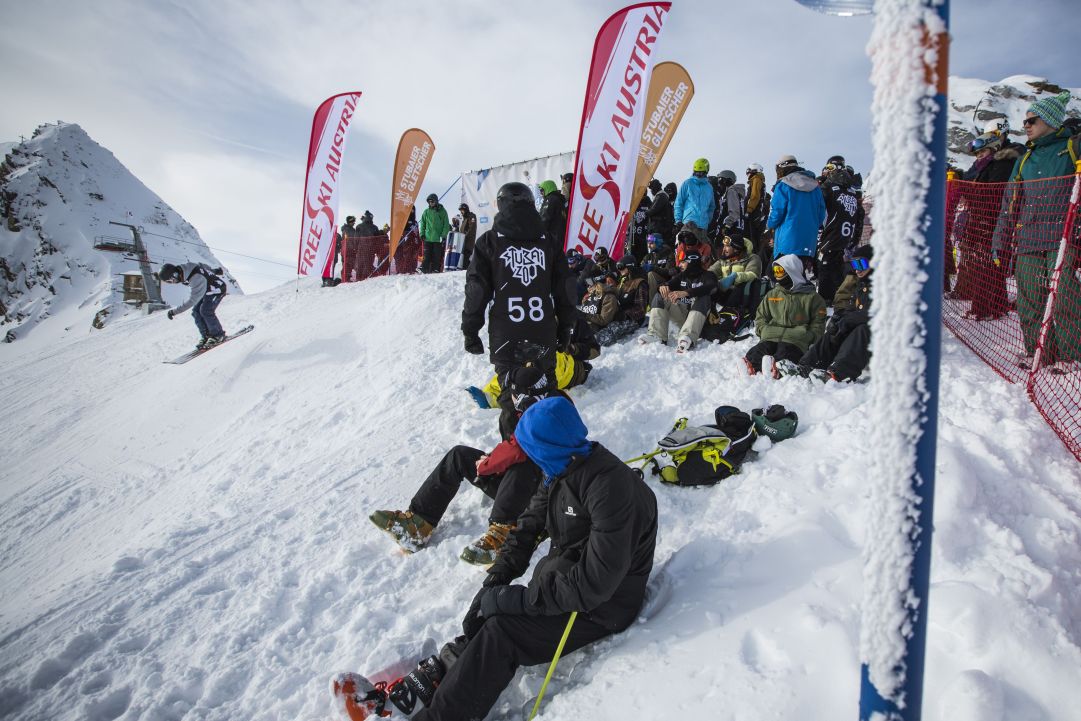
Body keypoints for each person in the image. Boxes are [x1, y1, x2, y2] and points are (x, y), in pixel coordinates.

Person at [409, 396, 658, 721]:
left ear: (548, 448)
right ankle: (459, 666)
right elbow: (527, 528)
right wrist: (494, 582)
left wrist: (511, 600)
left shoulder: (610, 491)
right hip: (567, 578)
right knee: (496, 610)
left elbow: (593, 586)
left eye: (532, 450)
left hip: (601, 607)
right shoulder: (561, 467)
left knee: (503, 632)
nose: (528, 459)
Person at [370, 365, 552, 565]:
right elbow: (510, 446)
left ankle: (504, 534)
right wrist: (492, 460)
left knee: (523, 463)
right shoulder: (521, 408)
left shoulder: (552, 411)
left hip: (542, 496)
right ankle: (417, 524)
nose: (512, 398)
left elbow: (519, 449)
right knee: (459, 456)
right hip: (517, 487)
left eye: (515, 394)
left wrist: (489, 463)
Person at [992, 91, 1081, 371]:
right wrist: (1000, 241)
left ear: (1051, 120)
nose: (1026, 125)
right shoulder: (1024, 159)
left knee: (1065, 297)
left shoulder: (1072, 147)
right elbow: (1009, 203)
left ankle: (1072, 355)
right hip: (1029, 238)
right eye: (1025, 121)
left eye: (1032, 120)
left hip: (1062, 238)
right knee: (1029, 299)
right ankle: (1040, 351)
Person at [462, 181, 578, 385]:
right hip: (542, 328)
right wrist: (566, 326)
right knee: (545, 387)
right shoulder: (549, 242)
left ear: (501, 204)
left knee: (511, 390)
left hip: (506, 331)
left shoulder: (489, 241)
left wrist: (470, 330)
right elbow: (566, 287)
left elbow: (476, 290)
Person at [951, 124, 1023, 319]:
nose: (979, 156)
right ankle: (995, 305)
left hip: (992, 222)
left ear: (992, 149)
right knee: (986, 266)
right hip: (981, 221)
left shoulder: (1001, 164)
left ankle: (984, 309)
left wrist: (968, 190)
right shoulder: (985, 166)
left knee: (987, 266)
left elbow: (991, 194)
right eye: (977, 154)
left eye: (982, 152)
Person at [782, 244, 874, 382]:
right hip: (861, 328)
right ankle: (807, 365)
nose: (857, 270)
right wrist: (841, 319)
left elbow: (879, 313)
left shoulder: (884, 285)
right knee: (834, 331)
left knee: (862, 330)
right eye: (855, 265)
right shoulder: (861, 285)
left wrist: (850, 320)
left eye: (861, 264)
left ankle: (838, 373)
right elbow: (851, 308)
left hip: (879, 334)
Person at [743, 254, 827, 377]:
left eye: (779, 270)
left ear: (791, 271)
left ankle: (777, 368)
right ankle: (750, 366)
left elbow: (818, 323)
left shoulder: (812, 298)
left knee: (786, 352)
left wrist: (809, 336)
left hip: (795, 339)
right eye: (775, 270)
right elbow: (761, 316)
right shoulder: (773, 294)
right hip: (771, 335)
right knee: (759, 350)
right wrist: (763, 330)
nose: (776, 274)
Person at [640, 251, 718, 353]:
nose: (680, 265)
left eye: (683, 262)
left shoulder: (708, 275)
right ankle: (657, 335)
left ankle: (688, 337)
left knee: (703, 297)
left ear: (692, 262)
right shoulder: (682, 276)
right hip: (684, 318)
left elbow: (711, 287)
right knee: (661, 296)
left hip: (700, 323)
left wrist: (686, 292)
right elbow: (667, 284)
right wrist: (663, 286)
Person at [817, 164, 864, 304]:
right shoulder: (852, 194)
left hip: (837, 238)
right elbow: (859, 220)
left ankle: (829, 299)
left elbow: (820, 207)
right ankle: (846, 296)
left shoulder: (832, 189)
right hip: (849, 240)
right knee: (843, 267)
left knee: (828, 266)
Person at [767, 155, 826, 265]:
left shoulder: (783, 185)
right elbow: (821, 214)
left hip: (787, 241)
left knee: (778, 273)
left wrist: (770, 225)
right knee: (800, 272)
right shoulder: (815, 187)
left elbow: (777, 213)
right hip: (809, 242)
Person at [160, 262, 229, 350]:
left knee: (205, 311)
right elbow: (202, 266)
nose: (173, 283)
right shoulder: (186, 269)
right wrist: (214, 271)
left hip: (217, 289)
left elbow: (192, 301)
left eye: (171, 280)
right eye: (169, 282)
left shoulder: (195, 278)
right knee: (196, 312)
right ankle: (207, 336)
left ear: (175, 274)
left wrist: (175, 311)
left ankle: (218, 335)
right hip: (206, 290)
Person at [708, 235, 762, 309]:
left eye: (727, 246)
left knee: (743, 285)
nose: (724, 249)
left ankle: (729, 310)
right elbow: (712, 271)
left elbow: (753, 275)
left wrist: (735, 276)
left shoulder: (752, 258)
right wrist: (708, 278)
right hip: (723, 292)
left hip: (742, 295)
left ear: (736, 249)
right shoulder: (723, 260)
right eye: (724, 246)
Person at [673, 158, 716, 245]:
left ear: (706, 172)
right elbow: (679, 203)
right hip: (688, 224)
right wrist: (678, 221)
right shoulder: (687, 183)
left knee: (702, 250)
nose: (698, 175)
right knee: (685, 249)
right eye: (696, 172)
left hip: (702, 226)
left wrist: (707, 220)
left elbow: (711, 207)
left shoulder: (709, 187)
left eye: (701, 172)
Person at [713, 169, 746, 245]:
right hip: (736, 228)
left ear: (726, 181)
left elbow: (734, 211)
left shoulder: (731, 191)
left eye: (720, 180)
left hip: (731, 228)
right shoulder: (735, 193)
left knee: (723, 249)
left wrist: (727, 226)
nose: (719, 184)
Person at [420, 193, 451, 274]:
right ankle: (424, 269)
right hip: (428, 238)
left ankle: (435, 269)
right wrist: (422, 234)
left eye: (432, 201)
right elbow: (422, 224)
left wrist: (443, 235)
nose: (431, 203)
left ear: (436, 201)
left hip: (438, 238)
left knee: (436, 255)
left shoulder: (443, 211)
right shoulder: (426, 212)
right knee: (426, 255)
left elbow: (446, 225)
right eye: (429, 202)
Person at [642, 232, 676, 302]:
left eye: (651, 243)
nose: (649, 246)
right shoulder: (648, 257)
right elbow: (640, 269)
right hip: (649, 281)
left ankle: (652, 305)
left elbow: (669, 273)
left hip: (665, 281)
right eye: (648, 243)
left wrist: (653, 268)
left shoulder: (669, 254)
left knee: (651, 274)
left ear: (658, 243)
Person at [538, 180, 567, 250]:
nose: (541, 193)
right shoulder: (559, 199)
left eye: (542, 190)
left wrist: (537, 232)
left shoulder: (550, 199)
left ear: (548, 188)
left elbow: (545, 218)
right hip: (560, 236)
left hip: (552, 237)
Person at [644, 178, 675, 246]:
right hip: (654, 229)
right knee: (651, 246)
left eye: (651, 189)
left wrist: (645, 212)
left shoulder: (661, 196)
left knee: (656, 247)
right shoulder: (660, 196)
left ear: (654, 188)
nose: (651, 191)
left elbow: (653, 210)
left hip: (658, 229)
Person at [627, 192, 651, 261]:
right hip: (631, 236)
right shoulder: (631, 202)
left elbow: (651, 215)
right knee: (631, 256)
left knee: (643, 256)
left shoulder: (647, 202)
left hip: (643, 236)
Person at [458, 203, 478, 269]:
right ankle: (472, 269)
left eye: (462, 210)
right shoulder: (464, 219)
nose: (461, 212)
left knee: (464, 262)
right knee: (463, 262)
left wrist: (464, 237)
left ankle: (470, 270)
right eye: (460, 210)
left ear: (466, 209)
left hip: (468, 243)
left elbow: (472, 229)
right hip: (463, 244)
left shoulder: (471, 216)